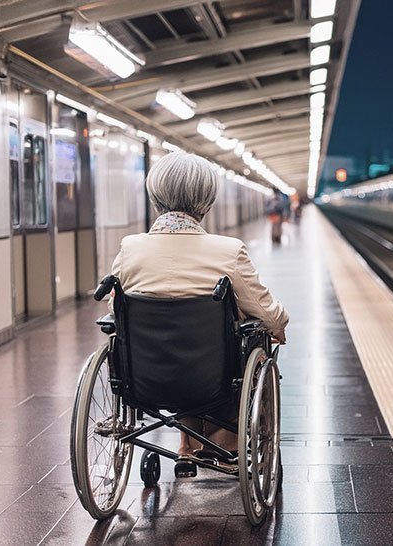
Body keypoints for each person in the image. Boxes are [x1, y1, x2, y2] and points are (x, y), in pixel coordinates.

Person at [109, 152, 289, 477]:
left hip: (145, 377)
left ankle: (187, 447)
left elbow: (115, 309)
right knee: (240, 346)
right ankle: (225, 444)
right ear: (206, 200)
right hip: (213, 377)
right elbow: (264, 310)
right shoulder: (227, 251)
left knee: (177, 348)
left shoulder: (130, 248)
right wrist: (279, 324)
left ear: (155, 197)